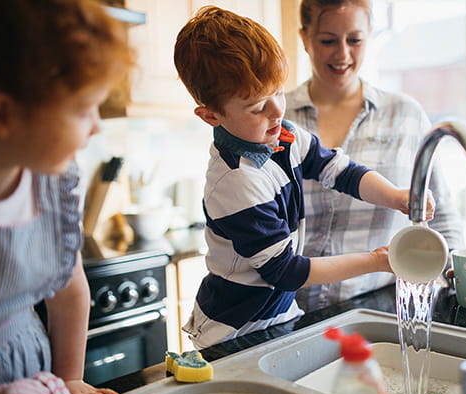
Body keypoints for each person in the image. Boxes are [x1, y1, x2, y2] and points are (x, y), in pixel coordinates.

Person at [173, 6, 435, 349]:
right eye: (257, 106)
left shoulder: (282, 136)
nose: (277, 110)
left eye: (278, 92)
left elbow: (341, 171)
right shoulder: (236, 183)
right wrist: (377, 262)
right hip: (233, 331)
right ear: (210, 115)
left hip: (279, 318)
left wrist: (397, 196)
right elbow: (287, 272)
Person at [0, 1, 134, 394]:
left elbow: (69, 291)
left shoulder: (53, 183)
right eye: (84, 110)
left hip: (32, 370)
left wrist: (69, 379)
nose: (98, 126)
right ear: (1, 116)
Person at [285, 0, 464, 311]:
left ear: (370, 36)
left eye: (354, 40)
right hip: (288, 311)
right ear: (304, 38)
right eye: (327, 40)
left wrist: (457, 282)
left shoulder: (405, 115)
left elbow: (443, 219)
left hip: (380, 306)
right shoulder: (276, 118)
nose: (342, 54)